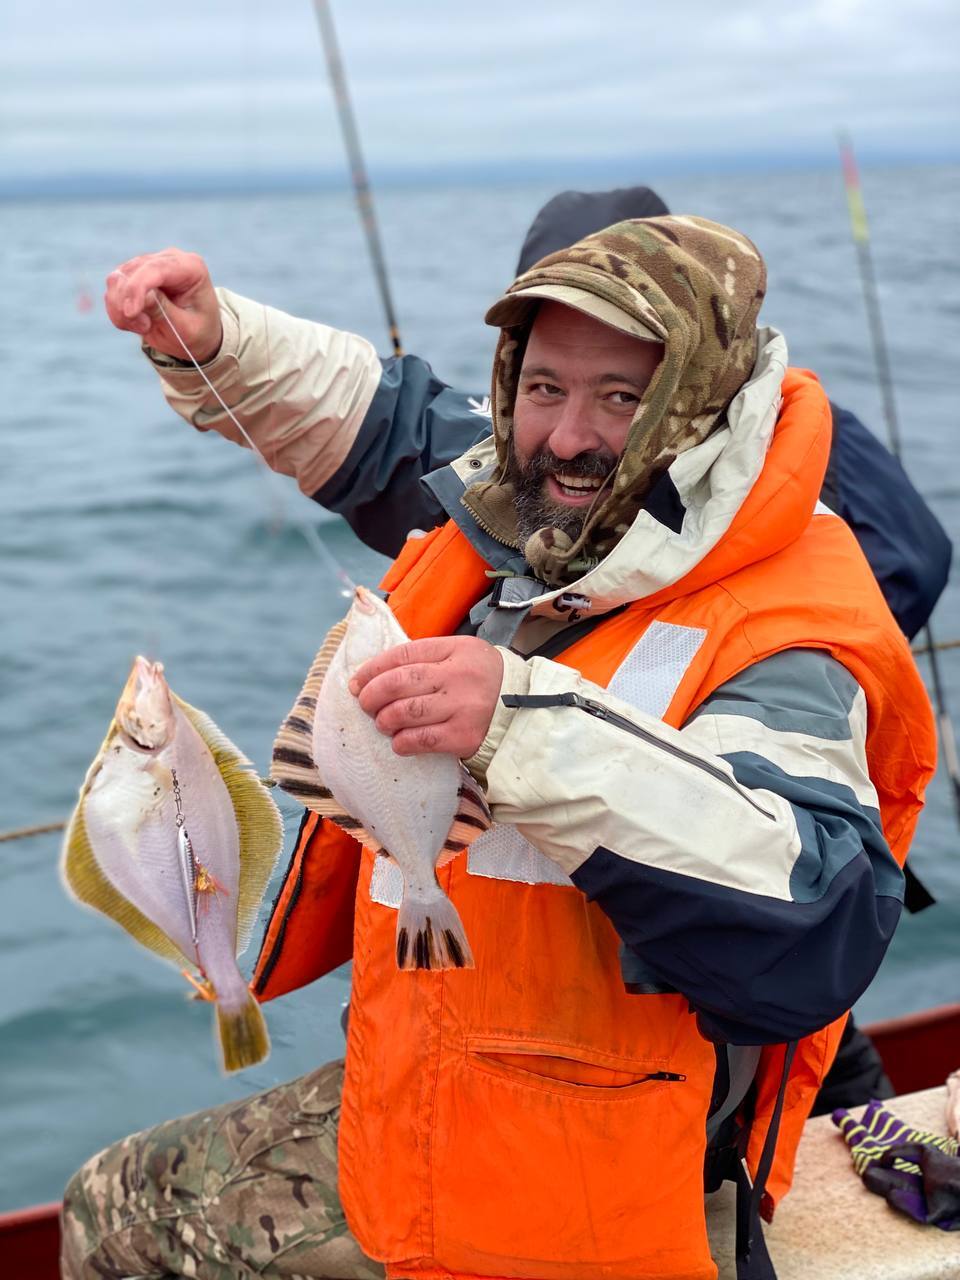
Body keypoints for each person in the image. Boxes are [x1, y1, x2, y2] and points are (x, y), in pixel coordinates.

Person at [63, 214, 936, 1280]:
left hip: (591, 1174)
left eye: (622, 395)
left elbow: (814, 916)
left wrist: (521, 725)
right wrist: (212, 333)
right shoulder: (530, 496)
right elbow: (380, 423)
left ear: (698, 406)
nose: (569, 434)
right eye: (544, 386)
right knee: (106, 1208)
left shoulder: (791, 625)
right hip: (418, 1095)